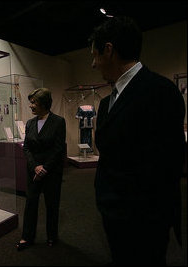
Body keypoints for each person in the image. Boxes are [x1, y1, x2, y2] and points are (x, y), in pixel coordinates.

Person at [89, 16, 186, 265]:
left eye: (95, 55)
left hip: (144, 219)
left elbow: (169, 165)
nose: (92, 64)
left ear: (109, 50)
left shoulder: (161, 92)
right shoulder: (106, 101)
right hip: (114, 213)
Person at [16, 88, 66, 251]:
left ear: (44, 103)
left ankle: (52, 236)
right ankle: (27, 237)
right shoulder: (30, 123)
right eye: (31, 102)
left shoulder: (58, 121)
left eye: (33, 102)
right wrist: (35, 166)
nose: (30, 106)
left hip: (51, 171)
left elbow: (58, 148)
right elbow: (27, 148)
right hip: (34, 171)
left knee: (52, 204)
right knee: (30, 203)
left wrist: (45, 168)